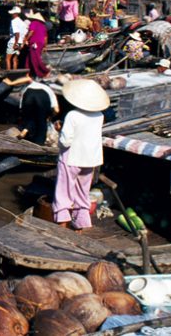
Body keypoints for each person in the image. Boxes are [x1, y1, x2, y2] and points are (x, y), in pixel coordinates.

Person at [53, 79, 109, 231]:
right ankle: (81, 226)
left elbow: (65, 141)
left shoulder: (72, 115)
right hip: (90, 159)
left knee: (63, 192)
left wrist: (59, 130)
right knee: (82, 192)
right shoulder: (99, 115)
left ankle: (62, 228)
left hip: (72, 157)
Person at [3, 75, 59, 145]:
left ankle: (25, 131)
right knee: (41, 122)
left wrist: (11, 83)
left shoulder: (33, 83)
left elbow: (27, 78)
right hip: (42, 98)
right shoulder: (50, 90)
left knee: (28, 118)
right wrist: (50, 116)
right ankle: (39, 145)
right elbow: (57, 110)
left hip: (28, 95)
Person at [23, 11, 51, 78]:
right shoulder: (43, 26)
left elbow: (31, 32)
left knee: (35, 59)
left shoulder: (33, 23)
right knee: (29, 59)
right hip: (40, 43)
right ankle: (28, 73)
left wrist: (25, 39)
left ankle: (45, 71)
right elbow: (45, 38)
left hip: (35, 43)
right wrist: (44, 46)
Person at [6, 6, 27, 71]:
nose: (11, 15)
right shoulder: (22, 22)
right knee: (15, 59)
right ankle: (14, 73)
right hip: (20, 42)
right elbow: (24, 33)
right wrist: (22, 43)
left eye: (12, 14)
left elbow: (17, 33)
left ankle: (8, 74)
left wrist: (15, 43)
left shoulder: (14, 21)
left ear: (15, 14)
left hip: (13, 41)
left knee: (8, 59)